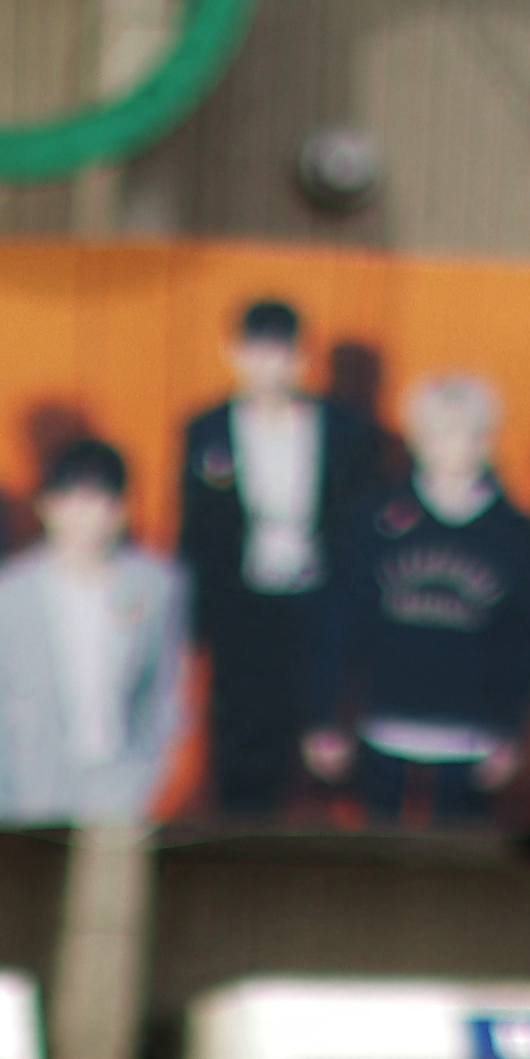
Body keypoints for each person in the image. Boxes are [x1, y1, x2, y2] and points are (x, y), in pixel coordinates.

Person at [0, 431, 195, 828]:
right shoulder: (2, 595)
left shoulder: (156, 585)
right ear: (47, 506)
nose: (82, 517)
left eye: (97, 501)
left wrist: (150, 776)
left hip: (121, 786)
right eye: (69, 501)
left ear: (121, 509)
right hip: (28, 787)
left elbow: (165, 689)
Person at [170, 296, 352, 826]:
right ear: (235, 355)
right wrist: (189, 635)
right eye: (257, 353)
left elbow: (354, 531)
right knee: (239, 747)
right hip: (239, 612)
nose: (270, 367)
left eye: (283, 353)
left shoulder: (343, 430)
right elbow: (195, 535)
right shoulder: (205, 429)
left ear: (302, 358)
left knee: (320, 748)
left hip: (318, 609)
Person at [342, 363, 530, 835]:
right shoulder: (378, 519)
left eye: (466, 433)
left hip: (468, 731)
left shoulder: (514, 534)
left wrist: (510, 730)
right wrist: (330, 715)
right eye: (437, 433)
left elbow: (527, 642)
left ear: (487, 439)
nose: (451, 446)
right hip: (384, 723)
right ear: (416, 439)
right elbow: (346, 622)